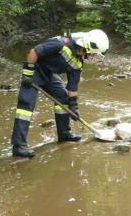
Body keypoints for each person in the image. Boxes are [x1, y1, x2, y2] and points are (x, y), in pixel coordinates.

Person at [11, 29, 110, 158]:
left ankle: (64, 135)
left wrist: (74, 107)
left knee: (63, 98)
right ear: (86, 46)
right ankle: (19, 146)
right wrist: (28, 73)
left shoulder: (78, 63)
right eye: (92, 53)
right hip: (35, 70)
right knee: (26, 106)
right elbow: (34, 52)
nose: (92, 56)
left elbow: (72, 89)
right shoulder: (62, 43)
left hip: (50, 74)